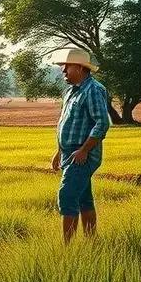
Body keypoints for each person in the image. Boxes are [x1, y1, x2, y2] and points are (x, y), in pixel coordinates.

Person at [49, 48, 111, 243]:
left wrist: (84, 150)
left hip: (82, 154)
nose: (63, 72)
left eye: (66, 67)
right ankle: (92, 241)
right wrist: (59, 151)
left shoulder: (93, 90)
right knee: (84, 199)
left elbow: (102, 123)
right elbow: (65, 122)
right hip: (69, 153)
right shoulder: (70, 92)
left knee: (67, 196)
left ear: (79, 67)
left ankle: (67, 249)